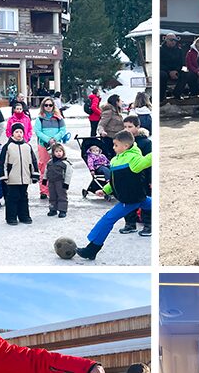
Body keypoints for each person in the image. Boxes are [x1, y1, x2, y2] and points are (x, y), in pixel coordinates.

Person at [74, 131, 152, 260]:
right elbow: (114, 180)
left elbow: (149, 159)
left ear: (126, 146)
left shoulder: (134, 159)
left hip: (130, 199)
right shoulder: (115, 160)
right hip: (137, 198)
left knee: (107, 219)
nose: (113, 148)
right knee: (150, 204)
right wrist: (105, 190)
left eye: (116, 145)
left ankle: (92, 249)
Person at [0, 122, 39, 226]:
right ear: (12, 133)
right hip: (12, 178)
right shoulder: (8, 146)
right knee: (12, 197)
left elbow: (33, 161)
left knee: (23, 197)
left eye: (21, 132)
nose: (19, 134)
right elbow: (3, 162)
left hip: (25, 177)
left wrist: (34, 174)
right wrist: (4, 176)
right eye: (16, 132)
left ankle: (24, 216)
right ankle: (11, 217)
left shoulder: (27, 146)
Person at [34, 97, 70, 201]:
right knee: (44, 166)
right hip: (43, 145)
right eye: (46, 105)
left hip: (56, 145)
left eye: (50, 105)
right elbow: (38, 131)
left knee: (57, 167)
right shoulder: (40, 118)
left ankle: (56, 189)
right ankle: (44, 190)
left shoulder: (59, 118)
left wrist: (55, 139)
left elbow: (63, 130)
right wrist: (48, 139)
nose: (48, 107)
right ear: (43, 106)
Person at [160, 34, 192, 100]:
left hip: (175, 70)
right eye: (171, 40)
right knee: (162, 75)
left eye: (175, 40)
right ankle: (161, 96)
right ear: (166, 40)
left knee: (186, 74)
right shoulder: (160, 49)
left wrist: (176, 71)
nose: (173, 42)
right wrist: (169, 72)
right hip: (164, 70)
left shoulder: (179, 50)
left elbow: (181, 63)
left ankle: (177, 94)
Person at [44, 142, 71, 219]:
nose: (58, 153)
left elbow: (68, 173)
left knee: (62, 196)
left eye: (60, 151)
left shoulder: (65, 163)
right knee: (52, 195)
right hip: (51, 182)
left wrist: (66, 183)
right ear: (53, 153)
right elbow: (46, 170)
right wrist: (45, 179)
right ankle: (53, 209)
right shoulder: (50, 162)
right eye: (56, 151)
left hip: (60, 182)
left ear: (63, 152)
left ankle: (62, 210)